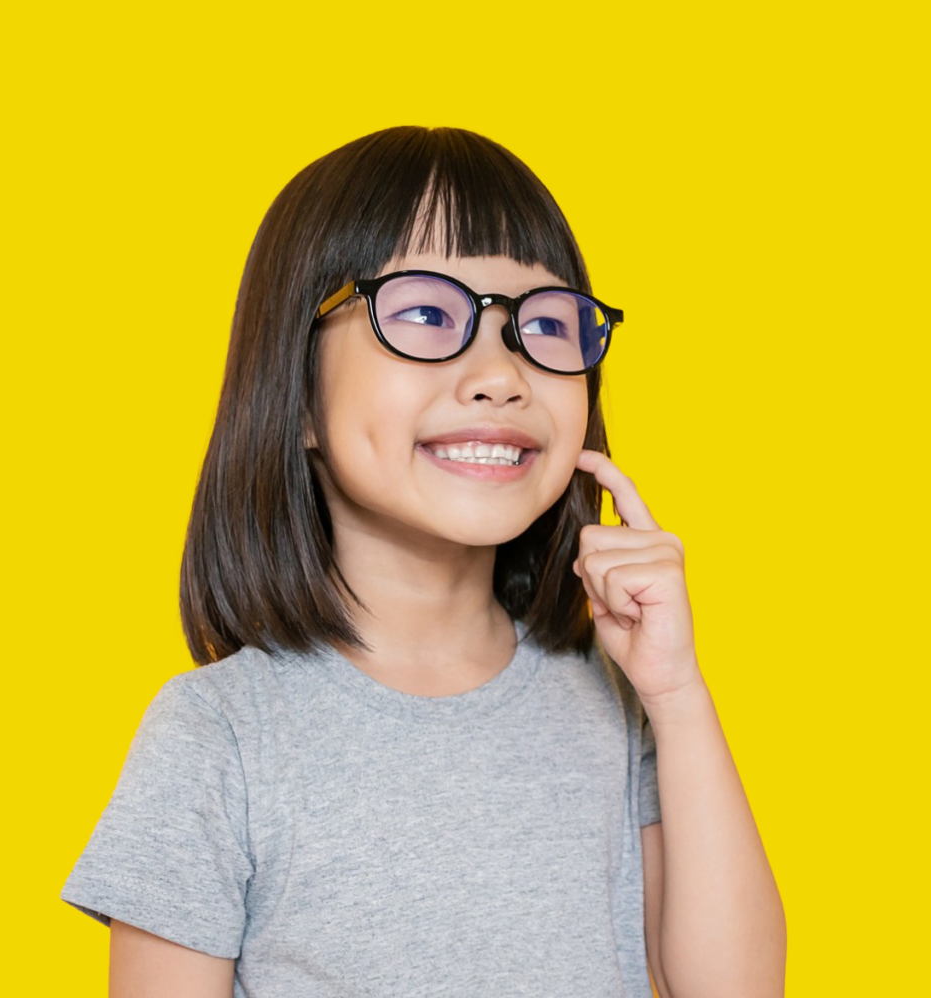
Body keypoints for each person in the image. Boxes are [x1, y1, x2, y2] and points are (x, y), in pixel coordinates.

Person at [60, 126, 786, 997]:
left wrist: (676, 696)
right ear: (295, 397)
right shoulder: (220, 734)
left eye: (545, 325)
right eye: (426, 314)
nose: (501, 374)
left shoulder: (614, 702)